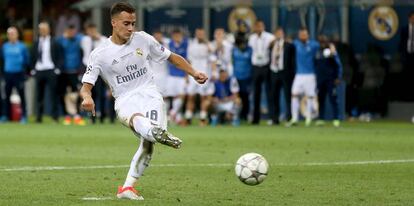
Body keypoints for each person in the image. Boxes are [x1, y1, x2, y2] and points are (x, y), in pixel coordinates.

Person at [80, 2, 207, 200]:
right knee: (145, 129)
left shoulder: (143, 39)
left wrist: (194, 72)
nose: (131, 28)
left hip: (150, 94)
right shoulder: (100, 54)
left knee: (148, 144)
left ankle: (127, 189)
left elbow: (171, 57)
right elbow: (86, 86)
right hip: (124, 100)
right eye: (126, 23)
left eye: (133, 23)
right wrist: (87, 98)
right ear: (113, 23)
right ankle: (155, 132)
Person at [287, 28, 320, 127]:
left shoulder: (314, 45)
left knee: (310, 97)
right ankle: (294, 118)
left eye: (304, 34)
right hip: (299, 74)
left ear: (308, 35)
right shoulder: (296, 44)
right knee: (294, 95)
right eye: (301, 35)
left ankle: (308, 118)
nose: (303, 36)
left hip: (310, 74)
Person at [31, 21, 63, 123]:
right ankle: (39, 117)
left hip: (50, 70)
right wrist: (33, 69)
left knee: (53, 94)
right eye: (41, 29)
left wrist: (57, 69)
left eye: (45, 29)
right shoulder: (36, 42)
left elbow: (60, 56)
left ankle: (55, 117)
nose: (43, 31)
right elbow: (32, 56)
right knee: (39, 95)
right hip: (39, 70)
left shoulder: (54, 41)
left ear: (49, 30)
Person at [0, 27, 30, 123]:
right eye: (9, 34)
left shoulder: (22, 46)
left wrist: (25, 73)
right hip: (8, 73)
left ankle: (24, 116)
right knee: (6, 96)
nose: (11, 35)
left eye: (13, 33)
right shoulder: (4, 47)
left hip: (19, 74)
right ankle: (6, 116)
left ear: (17, 35)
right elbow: (2, 60)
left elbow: (27, 61)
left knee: (22, 95)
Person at [81, 22, 109, 124]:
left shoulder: (103, 39)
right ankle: (91, 117)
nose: (91, 32)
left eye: (93, 30)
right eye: (89, 30)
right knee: (89, 93)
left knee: (101, 94)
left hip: (99, 70)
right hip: (87, 68)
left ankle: (101, 116)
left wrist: (98, 38)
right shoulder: (85, 40)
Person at [248, 20, 275, 124]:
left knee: (269, 92)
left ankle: (272, 118)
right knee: (256, 94)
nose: (259, 28)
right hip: (255, 67)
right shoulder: (252, 38)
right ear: (254, 27)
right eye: (257, 26)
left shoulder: (270, 37)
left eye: (260, 26)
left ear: (263, 27)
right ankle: (255, 119)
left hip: (266, 66)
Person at [57, 24, 85, 125]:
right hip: (63, 71)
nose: (72, 33)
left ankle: (77, 115)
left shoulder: (78, 39)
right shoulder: (61, 40)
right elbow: (56, 42)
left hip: (75, 71)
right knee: (63, 94)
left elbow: (86, 38)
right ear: (66, 31)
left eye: (73, 31)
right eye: (70, 31)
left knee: (77, 94)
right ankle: (67, 116)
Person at [185, 28, 214, 126]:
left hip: (204, 74)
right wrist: (187, 75)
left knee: (203, 97)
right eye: (198, 34)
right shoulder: (191, 45)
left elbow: (213, 57)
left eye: (202, 34)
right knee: (190, 97)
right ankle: (188, 118)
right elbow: (188, 61)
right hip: (192, 74)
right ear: (196, 34)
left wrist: (206, 42)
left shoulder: (208, 45)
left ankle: (202, 118)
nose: (200, 35)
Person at [268, 28, 295, 125]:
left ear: (283, 34)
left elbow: (292, 61)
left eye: (280, 33)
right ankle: (274, 118)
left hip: (285, 73)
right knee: (274, 96)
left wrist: (292, 73)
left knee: (288, 96)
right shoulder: (271, 45)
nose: (279, 35)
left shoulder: (289, 45)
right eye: (277, 33)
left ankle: (289, 118)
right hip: (274, 72)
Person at [315, 35, 343, 127]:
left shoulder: (331, 52)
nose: (322, 43)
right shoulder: (318, 52)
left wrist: (338, 77)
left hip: (330, 80)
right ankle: (321, 118)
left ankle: (336, 118)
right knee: (320, 99)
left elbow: (338, 65)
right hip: (320, 80)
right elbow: (316, 65)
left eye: (324, 41)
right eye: (321, 41)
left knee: (333, 99)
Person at [165, 29, 188, 125]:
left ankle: (172, 113)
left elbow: (188, 60)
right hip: (171, 75)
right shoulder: (168, 43)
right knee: (169, 96)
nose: (177, 37)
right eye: (175, 36)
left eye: (178, 36)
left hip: (182, 75)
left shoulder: (186, 44)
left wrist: (187, 75)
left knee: (181, 95)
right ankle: (175, 118)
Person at [231, 34, 253, 121]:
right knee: (237, 96)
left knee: (246, 96)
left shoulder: (250, 50)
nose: (243, 45)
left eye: (244, 43)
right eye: (241, 44)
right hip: (236, 77)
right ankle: (237, 115)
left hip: (247, 77)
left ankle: (246, 114)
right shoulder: (234, 50)